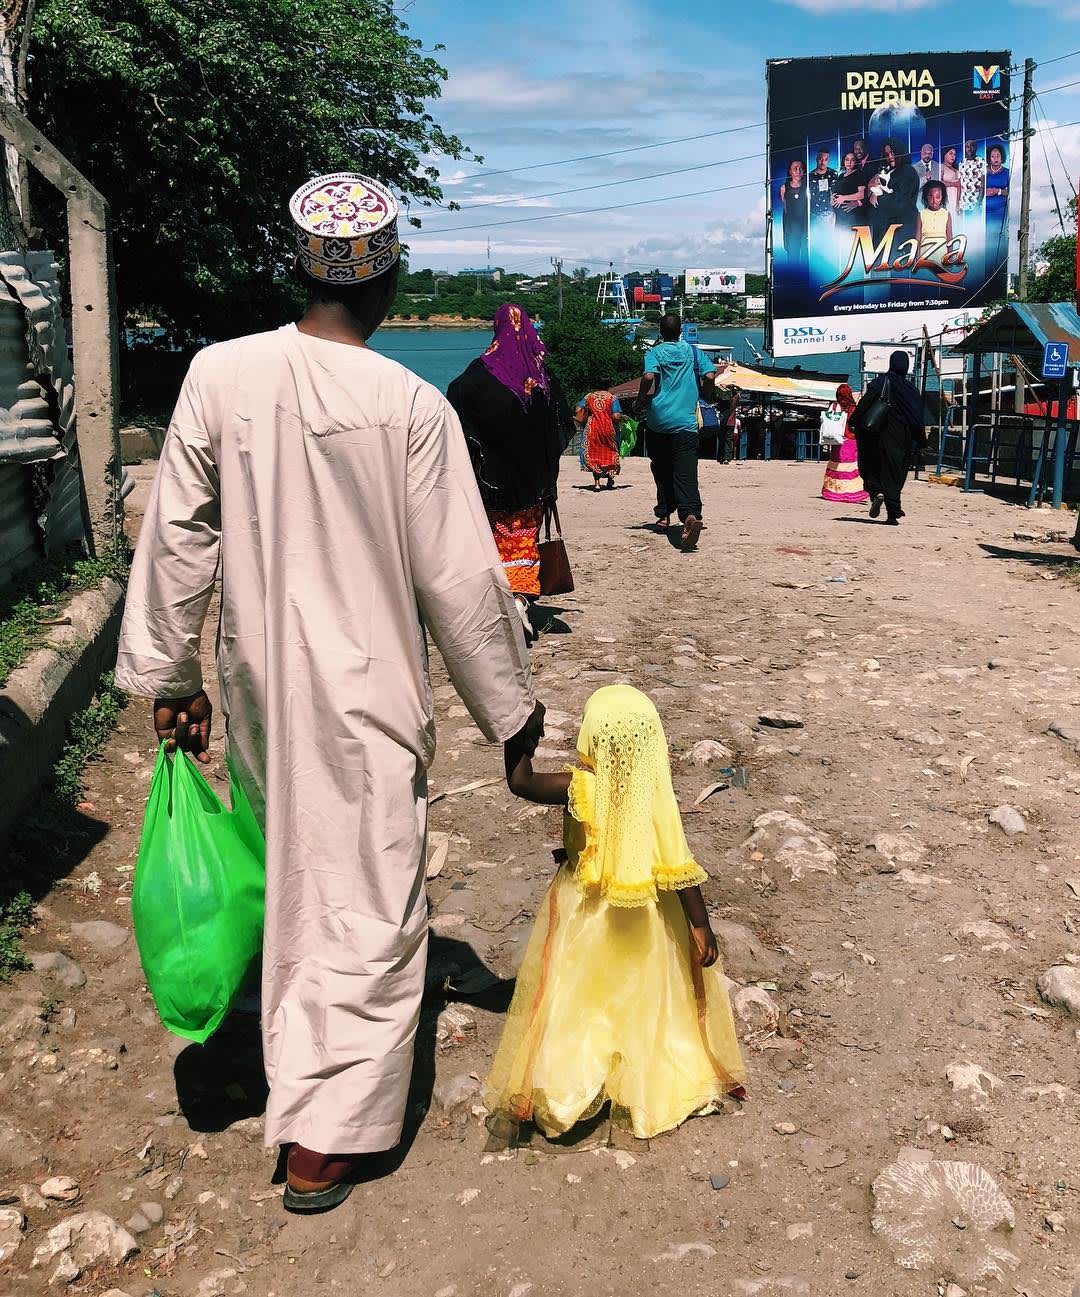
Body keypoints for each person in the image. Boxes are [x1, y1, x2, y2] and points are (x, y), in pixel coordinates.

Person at [115, 173, 546, 1214]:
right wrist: (516, 720)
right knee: (368, 894)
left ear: (297, 269)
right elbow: (458, 581)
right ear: (389, 278)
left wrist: (170, 675)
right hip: (364, 689)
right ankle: (323, 1133)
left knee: (299, 871)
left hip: (257, 678)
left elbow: (178, 535)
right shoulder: (405, 406)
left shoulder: (219, 373)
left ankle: (292, 1059)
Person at [485, 684, 746, 1140]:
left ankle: (571, 1088)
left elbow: (521, 782)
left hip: (585, 915)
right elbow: (678, 859)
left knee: (581, 1000)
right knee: (645, 999)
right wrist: (700, 925)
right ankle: (641, 1075)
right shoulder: (654, 798)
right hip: (648, 916)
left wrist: (520, 731)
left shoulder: (579, 787)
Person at [447, 304, 574, 643]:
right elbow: (564, 426)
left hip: (489, 482)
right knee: (522, 541)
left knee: (492, 541)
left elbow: (454, 412)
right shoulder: (542, 376)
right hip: (532, 484)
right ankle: (518, 599)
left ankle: (498, 601)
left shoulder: (477, 375)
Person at [638, 314, 717, 551]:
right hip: (685, 422)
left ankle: (663, 516)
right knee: (686, 472)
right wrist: (706, 394)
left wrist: (642, 399)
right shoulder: (693, 353)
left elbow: (649, 376)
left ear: (660, 332)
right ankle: (690, 515)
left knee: (661, 469)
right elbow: (710, 376)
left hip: (658, 422)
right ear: (680, 330)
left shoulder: (655, 352)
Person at [852, 350, 926, 525]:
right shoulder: (911, 390)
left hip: (876, 436)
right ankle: (893, 512)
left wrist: (853, 422)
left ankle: (877, 491)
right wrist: (921, 441)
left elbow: (864, 405)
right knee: (895, 474)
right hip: (902, 439)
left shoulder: (880, 383)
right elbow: (917, 418)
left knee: (872, 467)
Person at [820, 383, 869, 505]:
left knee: (837, 466)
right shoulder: (854, 408)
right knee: (851, 468)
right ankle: (852, 493)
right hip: (852, 441)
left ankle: (834, 492)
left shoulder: (835, 407)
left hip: (837, 441)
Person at [868, 140, 919, 247]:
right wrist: (874, 192)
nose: (890, 157)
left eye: (893, 153)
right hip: (885, 227)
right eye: (887, 155)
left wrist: (877, 194)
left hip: (900, 227)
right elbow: (872, 187)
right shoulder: (888, 171)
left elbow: (900, 200)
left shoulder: (907, 171)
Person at [575, 390, 626, 490]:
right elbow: (615, 416)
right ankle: (610, 480)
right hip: (608, 429)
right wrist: (623, 417)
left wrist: (588, 409)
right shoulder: (612, 398)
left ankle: (597, 483)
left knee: (594, 454)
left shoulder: (589, 396)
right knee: (611, 453)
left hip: (592, 429)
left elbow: (577, 409)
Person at [779, 159, 809, 268]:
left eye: (800, 168)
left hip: (806, 228)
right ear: (790, 171)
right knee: (792, 260)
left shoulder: (808, 187)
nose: (798, 170)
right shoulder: (784, 188)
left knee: (807, 260)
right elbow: (785, 208)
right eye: (795, 168)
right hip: (791, 230)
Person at [830, 150, 866, 232]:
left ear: (856, 161)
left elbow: (862, 194)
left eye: (852, 160)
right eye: (847, 159)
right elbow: (835, 191)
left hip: (851, 216)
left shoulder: (859, 174)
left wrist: (844, 198)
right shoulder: (841, 176)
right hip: (839, 218)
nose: (849, 162)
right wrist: (832, 198)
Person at [917, 180, 952, 259]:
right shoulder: (921, 214)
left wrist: (950, 258)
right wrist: (917, 259)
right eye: (930, 196)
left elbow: (949, 237)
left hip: (942, 252)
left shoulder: (946, 214)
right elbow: (917, 239)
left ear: (942, 197)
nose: (934, 201)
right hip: (925, 252)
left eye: (937, 197)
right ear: (926, 197)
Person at [809, 149, 837, 233]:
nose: (823, 162)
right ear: (817, 159)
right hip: (814, 213)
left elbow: (838, 191)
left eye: (825, 159)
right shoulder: (810, 176)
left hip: (829, 213)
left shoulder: (833, 174)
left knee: (829, 239)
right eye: (821, 159)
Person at [958, 139, 985, 222]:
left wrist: (978, 204)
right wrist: (959, 204)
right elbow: (960, 184)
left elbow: (982, 185)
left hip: (975, 204)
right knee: (964, 229)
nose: (969, 149)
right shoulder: (961, 163)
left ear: (976, 148)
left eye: (972, 146)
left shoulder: (981, 161)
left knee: (974, 229)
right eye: (967, 147)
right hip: (963, 204)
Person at [940, 145, 961, 214]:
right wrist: (953, 184)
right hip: (947, 199)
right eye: (950, 153)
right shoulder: (941, 167)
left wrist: (958, 203)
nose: (953, 156)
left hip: (957, 200)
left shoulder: (957, 168)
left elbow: (960, 186)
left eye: (954, 154)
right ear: (945, 155)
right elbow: (939, 183)